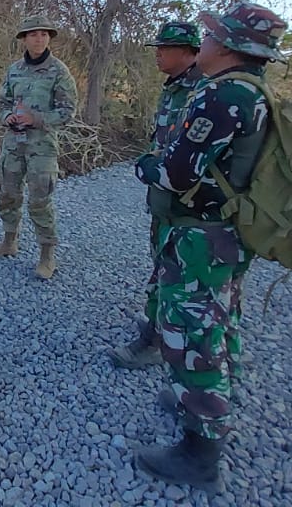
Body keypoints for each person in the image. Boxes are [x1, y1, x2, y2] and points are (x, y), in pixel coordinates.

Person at [130, 2, 287, 490]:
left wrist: (144, 164)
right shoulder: (254, 91)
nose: (207, 42)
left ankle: (201, 453)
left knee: (193, 331)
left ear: (231, 47)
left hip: (201, 234)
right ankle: (205, 403)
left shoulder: (221, 96)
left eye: (212, 36)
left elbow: (177, 174)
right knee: (220, 319)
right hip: (227, 230)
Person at [108, 20, 202, 370]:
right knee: (162, 267)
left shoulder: (204, 92)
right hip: (166, 201)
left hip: (190, 208)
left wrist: (151, 167)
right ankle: (161, 328)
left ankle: (161, 343)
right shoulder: (174, 88)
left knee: (178, 278)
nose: (158, 53)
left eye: (165, 48)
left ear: (188, 52)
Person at [0, 15, 78, 279]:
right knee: (9, 194)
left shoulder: (59, 71)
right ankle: (9, 242)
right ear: (24, 39)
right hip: (14, 144)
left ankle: (47, 256)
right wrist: (8, 118)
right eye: (33, 34)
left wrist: (37, 119)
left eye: (44, 34)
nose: (39, 39)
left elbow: (68, 110)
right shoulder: (14, 70)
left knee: (40, 200)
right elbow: (3, 103)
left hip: (42, 147)